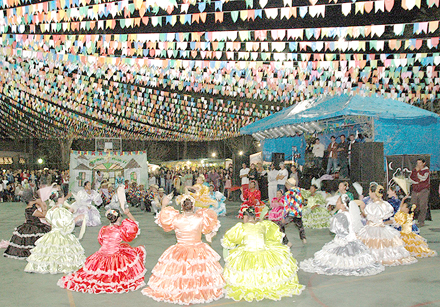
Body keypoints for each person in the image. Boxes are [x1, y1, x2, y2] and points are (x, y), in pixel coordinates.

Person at [142, 194, 224, 305]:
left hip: (180, 250)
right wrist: (211, 233)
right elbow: (210, 232)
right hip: (198, 249)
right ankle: (196, 291)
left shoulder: (175, 218)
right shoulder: (201, 217)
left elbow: (163, 219)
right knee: (200, 272)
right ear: (193, 206)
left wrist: (164, 205)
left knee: (179, 273)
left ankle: (181, 291)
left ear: (182, 206)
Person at [222, 207, 305, 302]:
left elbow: (229, 239)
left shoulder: (242, 227)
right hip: (264, 251)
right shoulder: (263, 225)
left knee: (241, 267)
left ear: (246, 217)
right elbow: (274, 235)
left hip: (248, 252)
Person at [58, 208, 146, 293]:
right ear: (119, 218)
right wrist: (129, 214)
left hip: (101, 254)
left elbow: (100, 241)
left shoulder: (103, 229)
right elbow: (134, 226)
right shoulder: (120, 230)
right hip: (114, 255)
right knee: (132, 254)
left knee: (94, 273)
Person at [300, 194, 385, 276]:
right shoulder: (348, 213)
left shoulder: (341, 215)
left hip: (344, 241)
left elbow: (337, 230)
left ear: (342, 205)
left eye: (338, 202)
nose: (336, 203)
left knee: (329, 259)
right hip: (353, 240)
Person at [24, 190, 86, 274]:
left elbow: (50, 220)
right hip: (61, 234)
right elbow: (67, 225)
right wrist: (78, 218)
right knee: (64, 252)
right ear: (60, 199)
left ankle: (50, 265)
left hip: (52, 233)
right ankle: (60, 266)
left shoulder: (52, 210)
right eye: (63, 197)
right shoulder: (62, 211)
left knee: (49, 252)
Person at [357, 184, 417, 266]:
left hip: (372, 228)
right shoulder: (385, 204)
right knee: (384, 245)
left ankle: (375, 257)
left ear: (373, 193)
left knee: (373, 244)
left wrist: (362, 209)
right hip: (382, 227)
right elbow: (385, 215)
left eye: (370, 192)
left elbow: (369, 217)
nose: (369, 194)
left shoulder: (372, 206)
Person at [3, 189, 51, 259]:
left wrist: (39, 203)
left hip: (33, 225)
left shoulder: (32, 206)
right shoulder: (30, 209)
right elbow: (44, 215)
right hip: (34, 226)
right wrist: (42, 205)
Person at [277, 178, 306, 247]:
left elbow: (286, 206)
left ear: (288, 185)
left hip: (291, 213)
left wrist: (284, 216)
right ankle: (303, 238)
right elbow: (303, 201)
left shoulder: (288, 193)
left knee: (280, 226)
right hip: (298, 213)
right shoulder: (299, 191)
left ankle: (287, 242)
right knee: (300, 225)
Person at [409, 158, 430, 227]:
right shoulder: (414, 170)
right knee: (412, 205)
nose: (418, 165)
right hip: (415, 190)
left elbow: (423, 178)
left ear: (424, 163)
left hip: (423, 190)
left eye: (420, 163)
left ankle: (421, 221)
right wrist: (417, 181)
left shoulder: (426, 171)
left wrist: (418, 173)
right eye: (417, 163)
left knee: (423, 206)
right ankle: (410, 220)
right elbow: (411, 178)